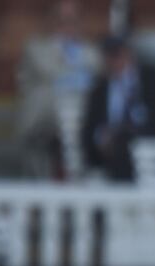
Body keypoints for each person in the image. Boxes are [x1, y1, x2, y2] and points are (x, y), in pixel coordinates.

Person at [15, 0, 100, 179]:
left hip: (81, 120)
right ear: (52, 21)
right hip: (43, 122)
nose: (67, 26)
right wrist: (76, 68)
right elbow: (50, 72)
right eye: (62, 20)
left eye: (72, 20)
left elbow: (96, 71)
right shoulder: (36, 47)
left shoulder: (89, 50)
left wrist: (75, 65)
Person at [80, 36, 155, 182]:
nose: (115, 60)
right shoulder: (100, 88)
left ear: (130, 54)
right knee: (118, 145)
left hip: (148, 146)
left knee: (124, 143)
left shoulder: (151, 79)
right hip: (110, 152)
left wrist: (129, 132)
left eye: (118, 54)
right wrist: (101, 136)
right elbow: (89, 129)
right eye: (110, 55)